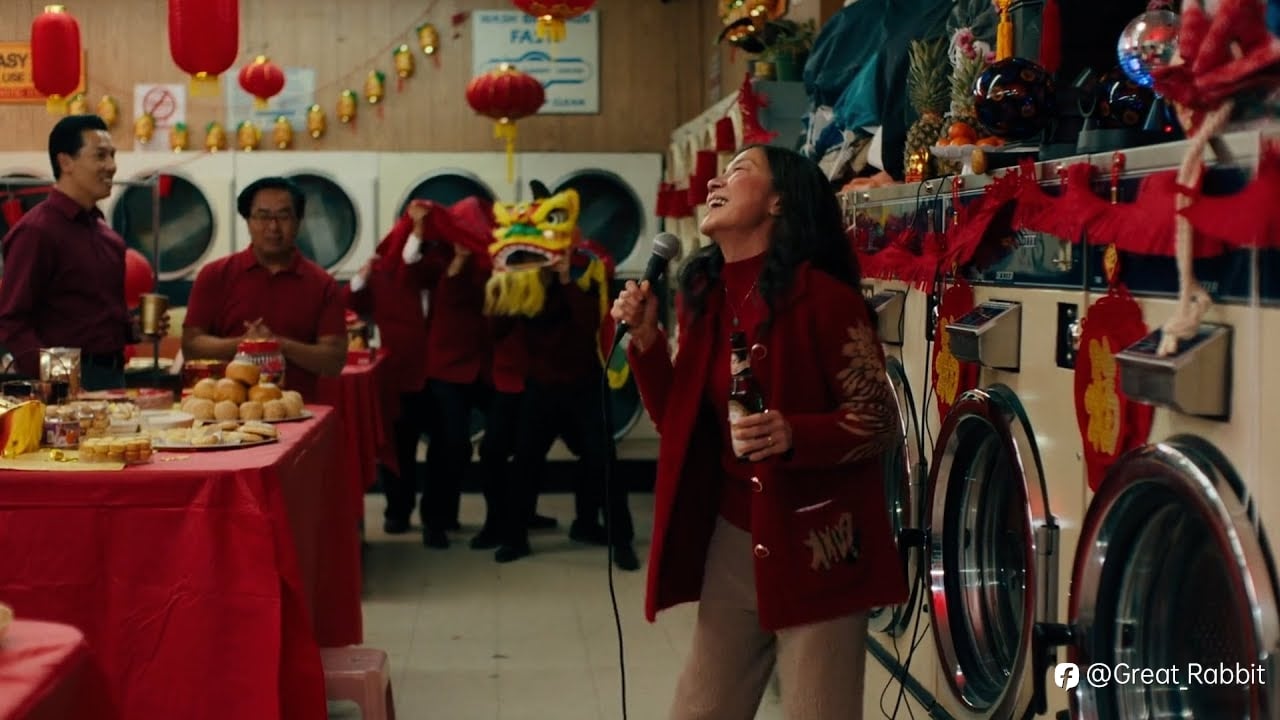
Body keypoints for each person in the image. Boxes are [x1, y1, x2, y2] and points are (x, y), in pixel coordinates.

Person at [611, 145, 908, 719]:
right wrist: (646, 343)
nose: (716, 183)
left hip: (820, 545)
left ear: (779, 202)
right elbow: (680, 424)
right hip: (733, 539)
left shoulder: (825, 298)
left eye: (739, 171)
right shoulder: (706, 295)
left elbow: (880, 420)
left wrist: (796, 433)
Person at [0, 114, 168, 391]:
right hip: (63, 382)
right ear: (65, 162)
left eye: (113, 155)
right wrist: (60, 381)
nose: (112, 166)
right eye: (100, 156)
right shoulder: (37, 231)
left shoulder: (107, 236)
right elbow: (12, 320)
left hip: (113, 376)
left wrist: (134, 330)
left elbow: (97, 318)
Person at [182, 177, 345, 400]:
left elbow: (334, 361)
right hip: (227, 411)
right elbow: (191, 347)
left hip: (299, 410)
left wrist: (277, 344)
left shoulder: (323, 284)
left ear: (298, 221)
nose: (273, 227)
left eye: (283, 216)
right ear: (248, 220)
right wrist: (245, 345)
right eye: (263, 216)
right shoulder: (215, 275)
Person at [346, 211, 433, 536]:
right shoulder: (384, 273)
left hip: (441, 372)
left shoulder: (442, 269)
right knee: (400, 448)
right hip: (400, 373)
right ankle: (398, 511)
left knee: (449, 446)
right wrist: (362, 276)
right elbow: (351, 304)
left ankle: (439, 516)